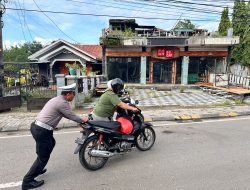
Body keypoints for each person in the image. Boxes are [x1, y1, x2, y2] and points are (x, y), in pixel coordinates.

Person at [22, 83, 88, 190]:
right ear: (68, 94)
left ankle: (39, 167)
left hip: (38, 127)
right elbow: (71, 115)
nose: (74, 96)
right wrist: (83, 120)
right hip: (42, 130)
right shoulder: (62, 103)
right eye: (73, 94)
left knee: (51, 144)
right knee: (43, 157)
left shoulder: (57, 99)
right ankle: (27, 181)